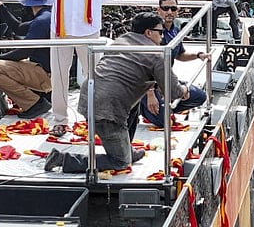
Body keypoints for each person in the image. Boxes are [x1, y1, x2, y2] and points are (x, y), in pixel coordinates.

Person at [42, 13, 186, 173]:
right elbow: (174, 92)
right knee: (121, 162)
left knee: (135, 101)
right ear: (148, 33)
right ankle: (63, 159)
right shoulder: (155, 55)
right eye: (160, 32)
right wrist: (185, 90)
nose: (162, 36)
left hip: (89, 96)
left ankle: (126, 148)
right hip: (107, 110)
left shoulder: (121, 41)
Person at [39, 0, 116, 137]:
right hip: (60, 28)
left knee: (95, 76)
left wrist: (89, 3)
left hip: (88, 28)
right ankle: (60, 121)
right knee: (59, 76)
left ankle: (97, 119)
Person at [137, 0, 210, 131]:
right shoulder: (152, 31)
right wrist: (150, 93)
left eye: (173, 8)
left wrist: (199, 55)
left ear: (178, 10)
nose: (169, 12)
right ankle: (143, 107)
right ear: (159, 10)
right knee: (163, 121)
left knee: (200, 97)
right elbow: (145, 62)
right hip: (148, 85)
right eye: (165, 8)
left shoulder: (175, 31)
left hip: (166, 81)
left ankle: (164, 106)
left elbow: (180, 54)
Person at [0, 0, 53, 120]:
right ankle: (38, 96)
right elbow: (19, 28)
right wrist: (0, 6)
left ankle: (34, 103)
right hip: (50, 71)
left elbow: (24, 51)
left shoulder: (41, 22)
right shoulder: (47, 16)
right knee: (5, 62)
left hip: (45, 74)